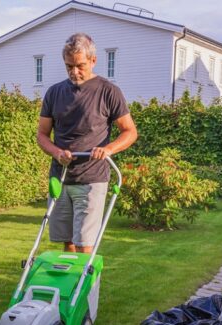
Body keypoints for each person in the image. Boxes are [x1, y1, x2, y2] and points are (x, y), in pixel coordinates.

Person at [37, 32, 138, 254]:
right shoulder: (54, 92)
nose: (74, 72)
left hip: (92, 178)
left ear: (93, 60)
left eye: (80, 65)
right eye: (68, 66)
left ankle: (87, 289)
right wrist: (56, 152)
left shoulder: (108, 91)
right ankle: (69, 289)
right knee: (67, 242)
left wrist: (108, 149)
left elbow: (130, 132)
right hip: (61, 177)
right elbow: (42, 135)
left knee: (85, 244)